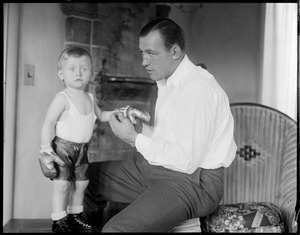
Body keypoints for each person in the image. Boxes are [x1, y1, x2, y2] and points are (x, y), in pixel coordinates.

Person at [83, 17, 237, 232]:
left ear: (174, 52)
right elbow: (170, 138)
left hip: (193, 183)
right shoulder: (167, 82)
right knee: (86, 178)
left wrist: (133, 139)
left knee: (116, 230)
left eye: (151, 53)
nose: (144, 61)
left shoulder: (198, 88)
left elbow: (186, 161)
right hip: (161, 170)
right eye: (142, 53)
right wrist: (139, 129)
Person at [39, 46, 117, 233]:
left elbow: (102, 115)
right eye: (72, 68)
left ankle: (75, 216)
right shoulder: (62, 98)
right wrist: (45, 148)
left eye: (84, 68)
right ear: (61, 73)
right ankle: (59, 220)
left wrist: (117, 113)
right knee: (63, 185)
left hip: (82, 149)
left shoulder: (90, 97)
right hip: (62, 148)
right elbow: (49, 122)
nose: (78, 73)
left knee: (82, 184)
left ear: (91, 73)